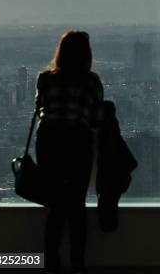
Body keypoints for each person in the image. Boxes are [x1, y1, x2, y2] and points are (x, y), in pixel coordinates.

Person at [35, 31, 103, 274]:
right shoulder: (91, 82)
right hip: (77, 143)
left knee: (55, 205)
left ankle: (51, 261)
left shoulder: (45, 78)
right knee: (76, 206)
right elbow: (96, 120)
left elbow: (40, 109)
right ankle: (77, 262)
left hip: (49, 143)